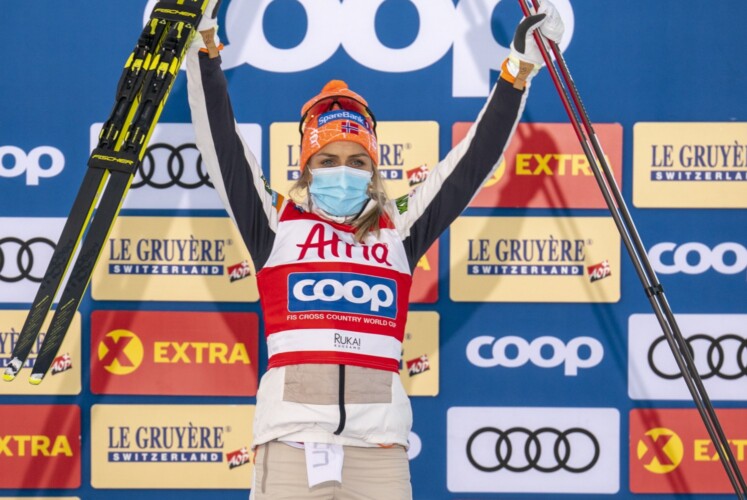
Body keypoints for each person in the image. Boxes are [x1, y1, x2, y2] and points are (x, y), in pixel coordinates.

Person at [186, 1, 564, 498]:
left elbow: (471, 162)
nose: (343, 170)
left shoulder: (397, 229)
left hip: (379, 454)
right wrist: (204, 49)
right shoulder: (277, 223)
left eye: (357, 160)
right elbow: (220, 141)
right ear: (307, 167)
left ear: (373, 168)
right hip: (292, 446)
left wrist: (518, 73)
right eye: (328, 160)